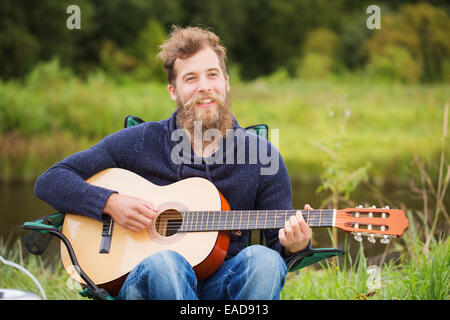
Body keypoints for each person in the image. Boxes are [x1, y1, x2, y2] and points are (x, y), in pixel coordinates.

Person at [34, 25, 312, 300]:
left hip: (223, 288)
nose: (204, 87)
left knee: (265, 260)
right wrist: (110, 203)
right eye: (190, 78)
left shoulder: (261, 156)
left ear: (226, 82)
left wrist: (296, 245)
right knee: (165, 262)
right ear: (173, 91)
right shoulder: (141, 141)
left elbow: (280, 246)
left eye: (212, 75)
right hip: (148, 283)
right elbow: (52, 180)